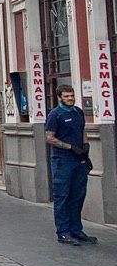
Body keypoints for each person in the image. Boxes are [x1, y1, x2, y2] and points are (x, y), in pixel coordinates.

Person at [45, 85, 97, 246]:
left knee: (78, 195)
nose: (70, 98)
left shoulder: (78, 112)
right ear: (59, 97)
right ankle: (63, 232)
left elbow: (82, 130)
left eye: (72, 96)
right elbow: (49, 137)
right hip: (62, 160)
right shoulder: (55, 114)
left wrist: (85, 146)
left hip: (79, 160)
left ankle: (76, 230)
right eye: (66, 96)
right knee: (62, 196)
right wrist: (69, 147)